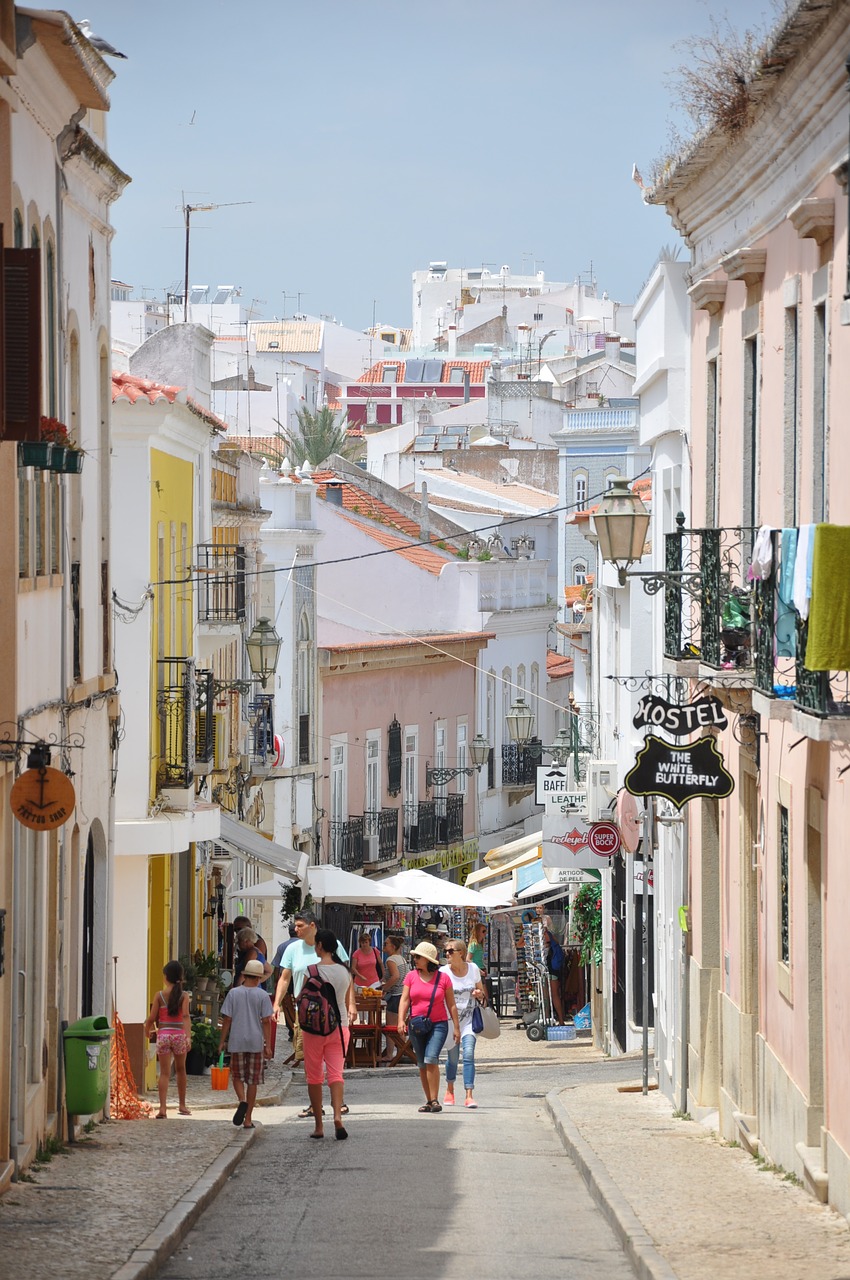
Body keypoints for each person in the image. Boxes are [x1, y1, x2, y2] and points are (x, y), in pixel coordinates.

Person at [272, 910, 349, 1116]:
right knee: (311, 1061)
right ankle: (317, 1105)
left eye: (300, 925)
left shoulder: (334, 946)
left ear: (312, 925)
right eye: (295, 925)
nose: (295, 929)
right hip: (306, 1013)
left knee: (332, 1062)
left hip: (334, 1013)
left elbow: (346, 976)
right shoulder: (292, 949)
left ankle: (336, 1103)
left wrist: (353, 1006)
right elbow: (284, 978)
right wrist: (277, 1003)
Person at [300, 929, 357, 1140]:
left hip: (314, 1029)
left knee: (314, 1077)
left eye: (316, 945)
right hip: (339, 1027)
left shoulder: (312, 970)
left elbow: (301, 998)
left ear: (321, 946)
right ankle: (337, 1117)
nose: (314, 948)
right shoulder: (345, 971)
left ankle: (318, 1126)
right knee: (336, 1074)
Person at [397, 941, 460, 1113]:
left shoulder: (443, 978)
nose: (415, 960)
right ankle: (429, 1100)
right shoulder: (411, 976)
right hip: (417, 1024)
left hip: (439, 1024)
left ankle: (434, 1099)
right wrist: (401, 1021)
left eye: (418, 957)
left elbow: (451, 1004)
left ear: (428, 960)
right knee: (421, 1063)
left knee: (431, 1058)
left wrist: (456, 1027)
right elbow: (404, 1000)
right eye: (415, 956)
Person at [218, 958, 274, 1129]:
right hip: (255, 1042)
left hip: (237, 1040)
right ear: (258, 978)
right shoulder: (263, 996)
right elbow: (266, 1021)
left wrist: (222, 1041)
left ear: (244, 975)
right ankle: (248, 1118)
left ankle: (241, 1100)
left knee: (237, 1076)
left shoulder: (234, 993)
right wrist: (268, 1045)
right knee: (253, 1080)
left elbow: (227, 1019)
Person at [440, 938, 486, 1109]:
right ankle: (450, 1088)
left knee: (468, 1055)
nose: (447, 954)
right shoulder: (443, 972)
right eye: (446, 951)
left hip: (468, 1021)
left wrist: (478, 993)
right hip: (451, 1021)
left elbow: (481, 991)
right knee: (452, 1060)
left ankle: (469, 1094)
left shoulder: (473, 969)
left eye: (450, 951)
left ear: (461, 953)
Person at [144, 960, 192, 1119]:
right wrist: (188, 1037)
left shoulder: (159, 995)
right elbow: (185, 1016)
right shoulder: (184, 996)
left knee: (164, 1073)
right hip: (179, 1035)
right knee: (181, 1070)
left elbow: (152, 1017)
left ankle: (163, 1108)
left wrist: (147, 1030)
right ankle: (182, 1105)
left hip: (163, 1035)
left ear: (166, 977)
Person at [380, 934, 409, 1027]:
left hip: (395, 996)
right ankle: (400, 1042)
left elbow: (395, 976)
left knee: (391, 1027)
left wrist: (384, 988)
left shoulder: (391, 960)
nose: (383, 945)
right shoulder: (401, 959)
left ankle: (391, 1042)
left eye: (386, 944)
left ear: (393, 946)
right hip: (403, 994)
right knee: (400, 1025)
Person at [543, 926, 566, 1024]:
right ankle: (553, 1019)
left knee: (552, 995)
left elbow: (519, 944)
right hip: (550, 969)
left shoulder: (547, 935)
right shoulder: (550, 936)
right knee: (549, 996)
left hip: (550, 969)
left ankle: (556, 1019)